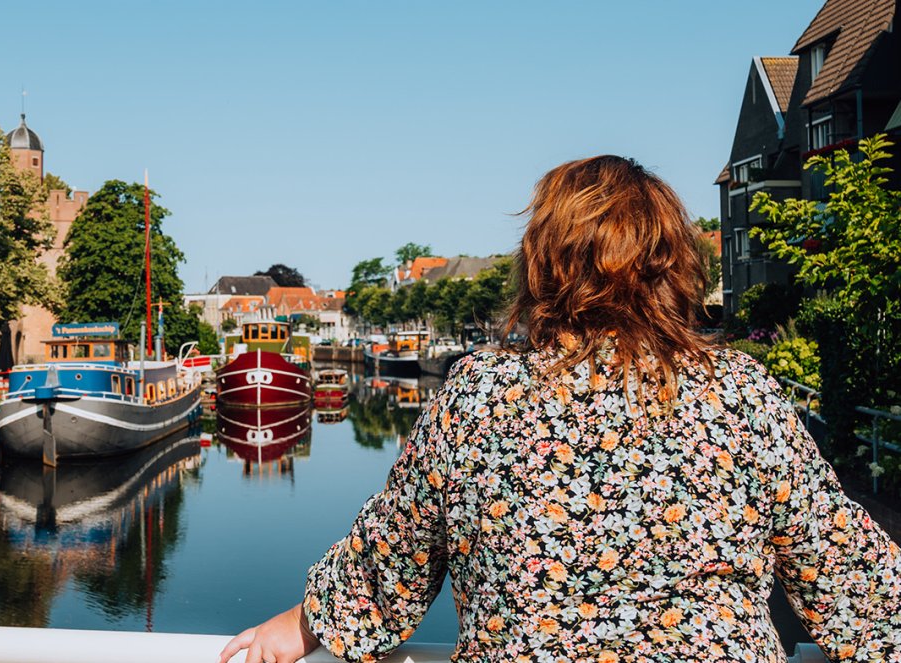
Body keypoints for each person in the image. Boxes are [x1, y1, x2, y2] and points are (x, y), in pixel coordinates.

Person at [218, 156, 901, 663]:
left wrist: (303, 624)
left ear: (544, 262)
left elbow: (393, 562)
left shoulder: (481, 394)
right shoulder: (741, 392)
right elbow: (853, 583)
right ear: (675, 267)